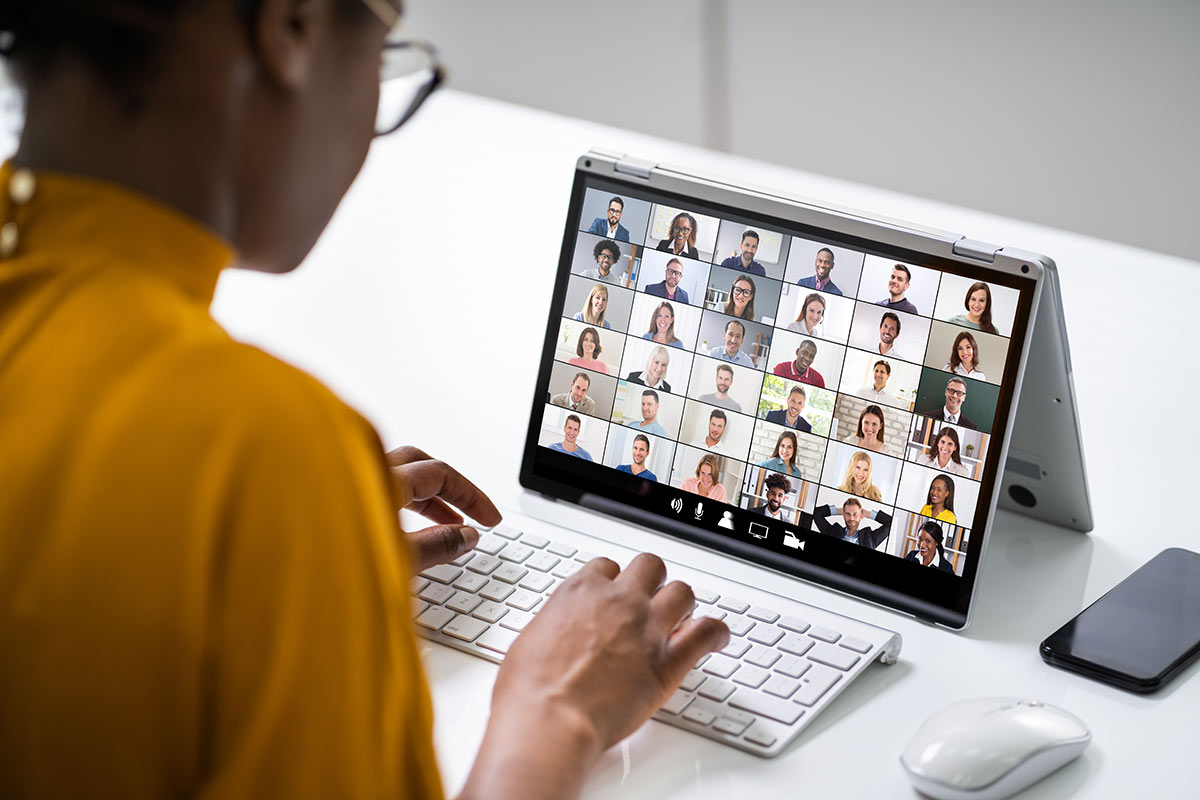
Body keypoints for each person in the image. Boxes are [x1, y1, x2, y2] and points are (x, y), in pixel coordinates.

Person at [0, 2, 731, 797]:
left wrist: (275, 555)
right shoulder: (263, 446)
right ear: (289, 29)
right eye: (382, 65)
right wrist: (556, 711)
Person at [812, 498, 892, 549]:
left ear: (860, 516)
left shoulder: (869, 538)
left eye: (855, 514)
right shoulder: (833, 532)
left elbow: (890, 523)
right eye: (848, 514)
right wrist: (839, 511)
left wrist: (867, 513)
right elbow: (816, 513)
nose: (851, 518)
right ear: (843, 515)